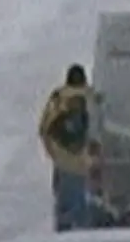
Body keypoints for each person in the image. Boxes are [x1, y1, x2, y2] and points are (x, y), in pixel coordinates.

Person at [39, 64, 96, 231]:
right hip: (86, 165)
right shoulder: (92, 97)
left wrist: (54, 154)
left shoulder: (58, 98)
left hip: (63, 163)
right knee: (84, 210)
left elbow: (44, 129)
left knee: (64, 209)